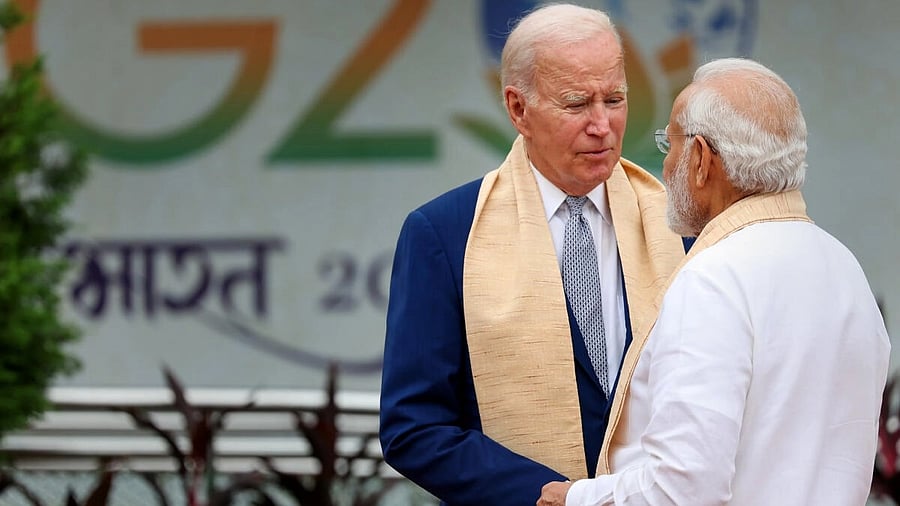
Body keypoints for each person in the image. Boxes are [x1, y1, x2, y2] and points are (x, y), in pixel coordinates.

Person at [538, 57, 891, 506]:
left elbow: (683, 488)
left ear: (701, 160)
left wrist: (576, 499)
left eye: (671, 147)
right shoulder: (844, 269)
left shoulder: (715, 277)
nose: (666, 169)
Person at [379, 4, 689, 505]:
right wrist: (548, 496)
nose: (602, 126)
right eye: (575, 104)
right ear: (518, 109)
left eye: (614, 99)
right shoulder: (443, 234)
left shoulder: (680, 226)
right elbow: (414, 428)